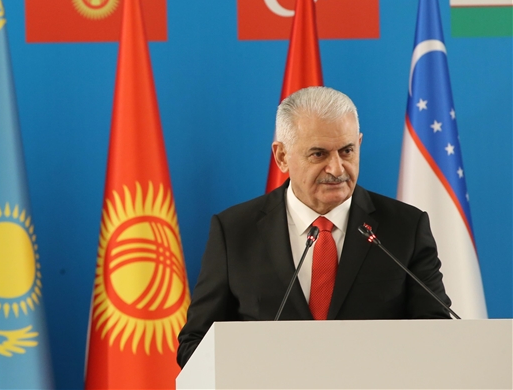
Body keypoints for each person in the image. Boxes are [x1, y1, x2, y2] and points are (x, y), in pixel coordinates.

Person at [176, 86, 451, 368]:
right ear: (282, 156)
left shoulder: (405, 227)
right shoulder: (234, 231)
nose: (337, 168)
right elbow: (195, 343)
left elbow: (437, 332)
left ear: (359, 143)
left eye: (347, 151)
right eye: (319, 154)